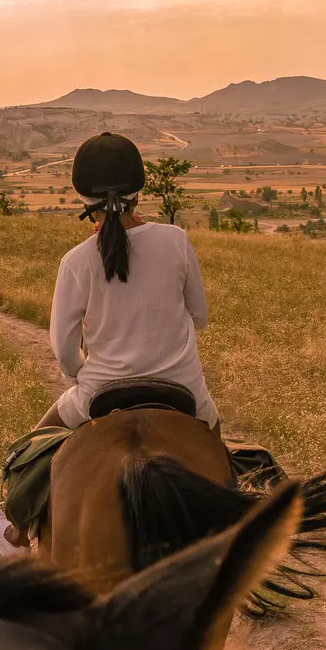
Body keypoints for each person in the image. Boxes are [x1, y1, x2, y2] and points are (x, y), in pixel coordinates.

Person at [38, 131, 218, 429]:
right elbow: (199, 317)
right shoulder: (176, 240)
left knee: (29, 451)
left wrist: (81, 375)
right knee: (222, 456)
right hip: (184, 388)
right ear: (137, 194)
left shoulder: (75, 262)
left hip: (100, 393)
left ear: (83, 198)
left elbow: (65, 352)